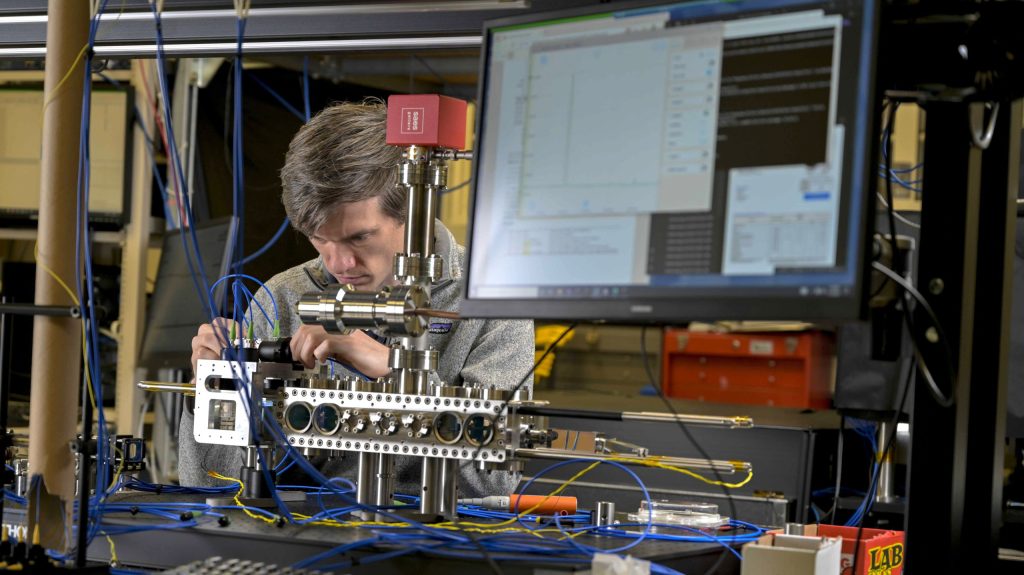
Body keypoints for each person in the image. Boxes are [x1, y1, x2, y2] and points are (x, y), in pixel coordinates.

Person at [179, 99, 535, 498]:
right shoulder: (282, 297)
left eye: (359, 237)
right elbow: (210, 488)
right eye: (319, 239)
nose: (339, 263)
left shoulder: (492, 300)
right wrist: (209, 392)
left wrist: (394, 371)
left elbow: (493, 481)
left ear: (412, 208)